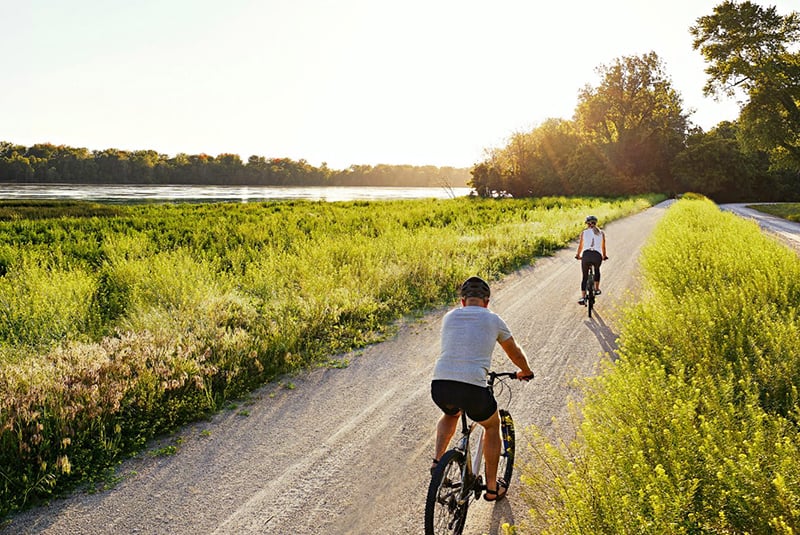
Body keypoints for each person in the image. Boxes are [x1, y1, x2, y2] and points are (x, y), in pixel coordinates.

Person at [430, 276, 534, 502]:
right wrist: (525, 370)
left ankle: (438, 465)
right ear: (487, 302)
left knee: (451, 413)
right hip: (473, 390)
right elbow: (514, 352)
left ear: (462, 301)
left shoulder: (449, 317)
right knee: (492, 425)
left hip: (440, 385)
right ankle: (492, 488)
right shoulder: (493, 319)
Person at [575, 215, 608, 305]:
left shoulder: (584, 232)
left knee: (585, 277)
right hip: (597, 256)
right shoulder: (601, 233)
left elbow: (581, 246)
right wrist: (604, 256)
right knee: (597, 270)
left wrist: (578, 255)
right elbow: (603, 247)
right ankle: (596, 289)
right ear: (595, 223)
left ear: (587, 224)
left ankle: (583, 297)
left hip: (586, 255)